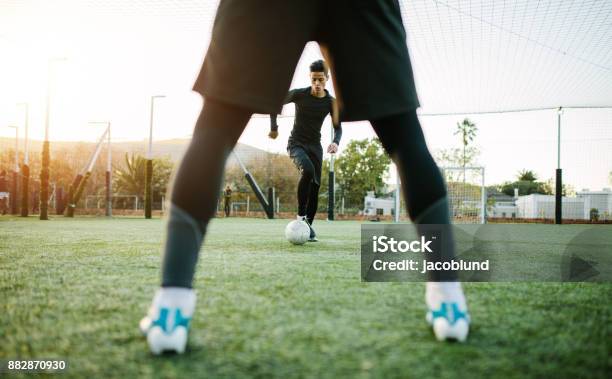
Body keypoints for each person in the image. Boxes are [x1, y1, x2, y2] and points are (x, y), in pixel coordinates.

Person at [140, 0, 470, 354]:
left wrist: (328, 139)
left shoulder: (325, 100)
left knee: (215, 130)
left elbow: (331, 123)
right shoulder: (300, 94)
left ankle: (171, 310)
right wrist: (273, 123)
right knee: (405, 138)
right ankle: (448, 302)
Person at [269, 59, 342, 242]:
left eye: (320, 80)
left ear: (327, 78)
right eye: (314, 80)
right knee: (307, 171)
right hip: (296, 144)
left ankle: (308, 225)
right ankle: (300, 217)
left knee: (315, 187)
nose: (317, 84)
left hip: (315, 146)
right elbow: (274, 101)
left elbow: (338, 127)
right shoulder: (299, 94)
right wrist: (274, 127)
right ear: (310, 78)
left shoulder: (331, 102)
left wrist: (335, 142)